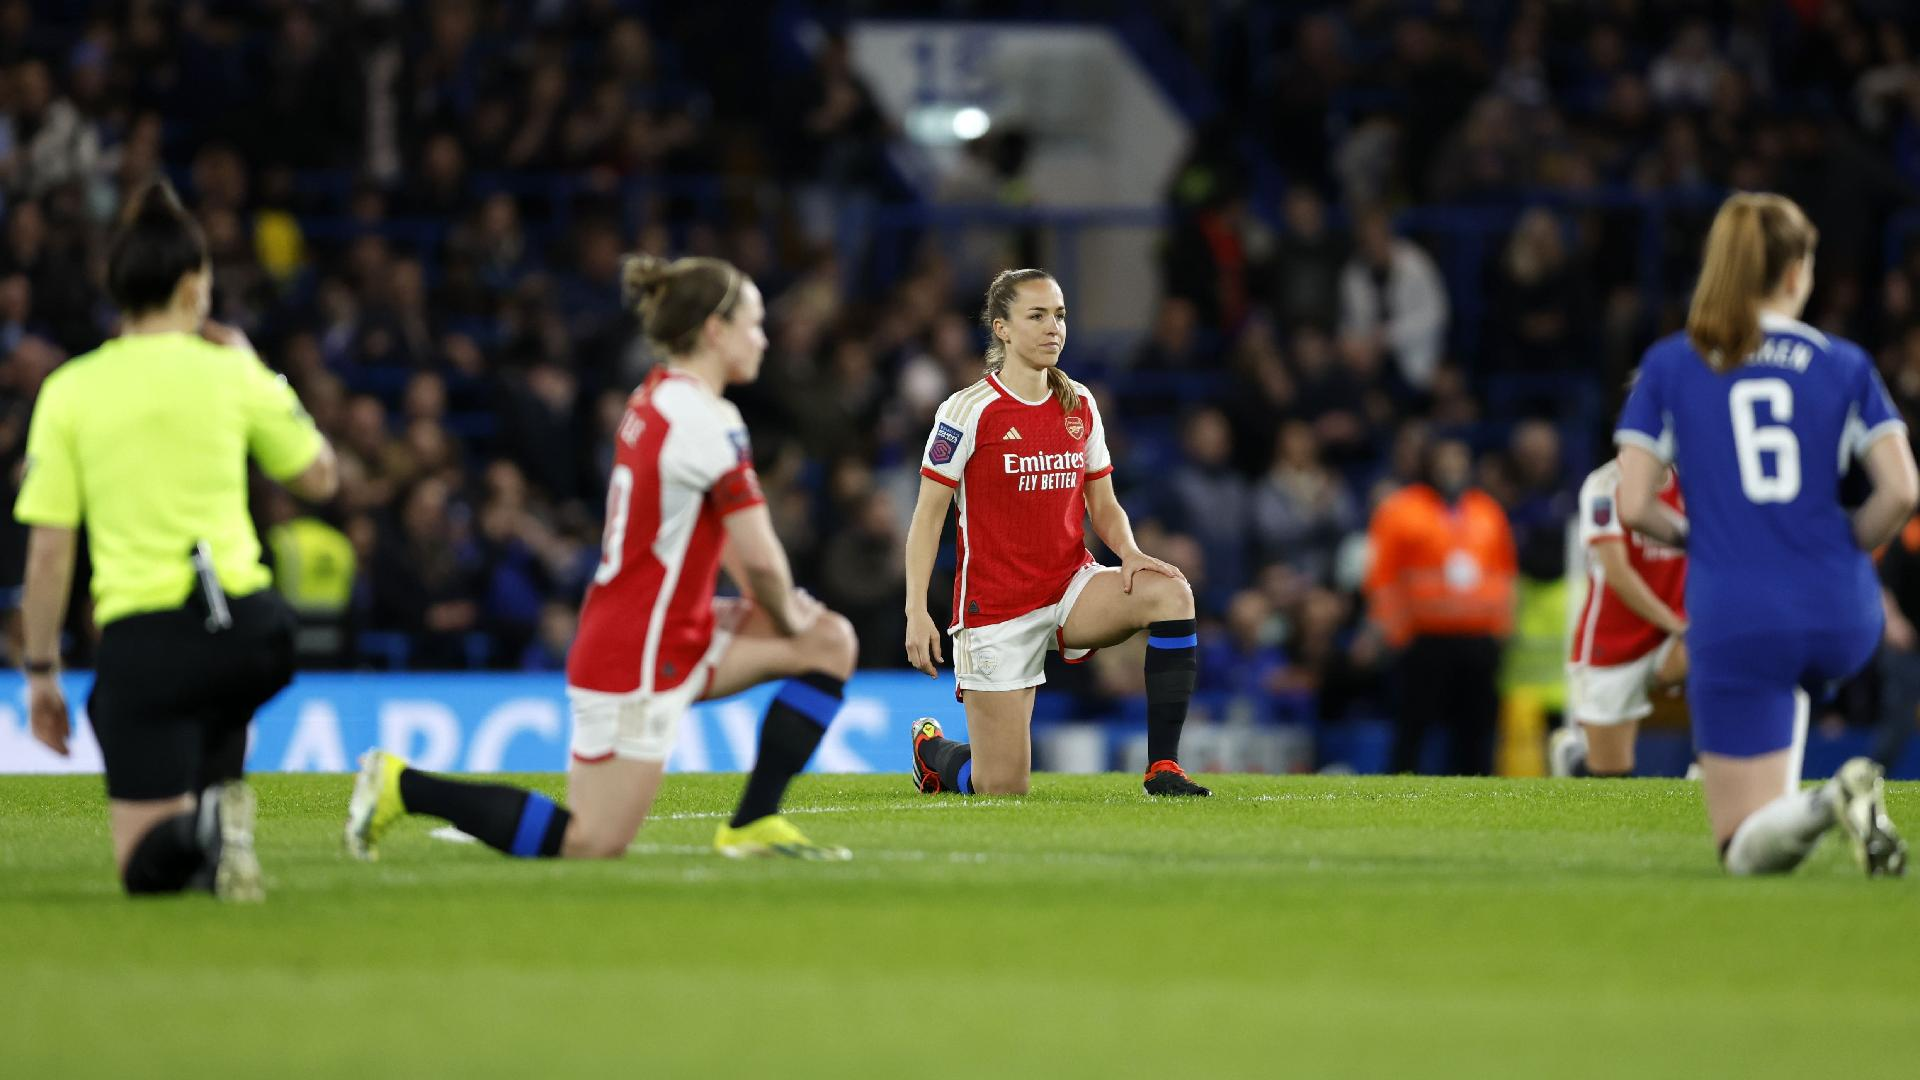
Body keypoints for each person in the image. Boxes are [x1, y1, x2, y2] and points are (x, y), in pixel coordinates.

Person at [347, 254, 859, 861]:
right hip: (637, 653)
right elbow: (765, 560)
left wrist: (774, 609)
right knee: (592, 841)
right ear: (715, 332)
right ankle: (403, 786)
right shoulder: (703, 420)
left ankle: (751, 825)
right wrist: (784, 610)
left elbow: (724, 539)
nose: (763, 338)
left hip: (666, 629)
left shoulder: (659, 397)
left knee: (829, 641)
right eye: (753, 324)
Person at [15, 180, 338, 900]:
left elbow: (49, 552)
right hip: (253, 633)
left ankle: (202, 827)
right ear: (194, 285)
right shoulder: (233, 371)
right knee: (217, 695)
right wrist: (260, 369)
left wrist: (41, 671)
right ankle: (220, 802)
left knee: (147, 871)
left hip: (149, 645)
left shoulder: (71, 390)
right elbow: (321, 477)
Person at [1614, 192, 1913, 876]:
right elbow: (1903, 490)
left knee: (1742, 850)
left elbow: (1633, 506)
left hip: (1738, 609)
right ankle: (1819, 796)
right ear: (1792, 273)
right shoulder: (1844, 362)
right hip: (1842, 610)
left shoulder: (1671, 363)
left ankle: (1830, 797)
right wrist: (1849, 544)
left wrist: (1704, 537)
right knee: (1792, 676)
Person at [903, 268, 1209, 797]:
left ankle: (1163, 768)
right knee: (1002, 788)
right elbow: (928, 517)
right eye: (1037, 316)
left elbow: (1103, 503)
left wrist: (1130, 552)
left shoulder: (1079, 404)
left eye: (1060, 315)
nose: (1054, 328)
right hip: (996, 609)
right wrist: (915, 609)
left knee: (1171, 593)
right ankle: (932, 752)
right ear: (1001, 328)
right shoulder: (967, 411)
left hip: (1070, 589)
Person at [1364, 436, 1517, 774]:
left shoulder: (1487, 511)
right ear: (1429, 465)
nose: (1453, 468)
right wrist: (1395, 633)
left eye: (1459, 460)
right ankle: (1398, 800)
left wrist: (1501, 631)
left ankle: (1475, 803)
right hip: (1423, 641)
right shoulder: (1400, 509)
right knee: (1411, 731)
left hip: (1478, 643)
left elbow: (1504, 575)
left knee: (1476, 734)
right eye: (1445, 461)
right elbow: (1382, 577)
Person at [1550, 459, 1688, 778]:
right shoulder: (1604, 486)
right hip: (1614, 642)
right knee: (1611, 779)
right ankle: (1574, 761)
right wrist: (1675, 623)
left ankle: (1709, 769)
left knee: (1721, 653)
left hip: (1674, 634)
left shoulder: (1694, 482)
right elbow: (1617, 573)